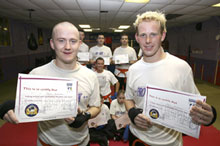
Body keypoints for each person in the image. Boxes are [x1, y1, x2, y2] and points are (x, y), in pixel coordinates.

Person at [0, 21, 101, 146]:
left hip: (81, 142)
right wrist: (8, 107)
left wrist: (86, 115)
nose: (68, 46)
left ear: (79, 44)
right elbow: (24, 106)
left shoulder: (90, 75)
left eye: (73, 41)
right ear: (52, 44)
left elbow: (96, 106)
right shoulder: (36, 75)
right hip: (46, 143)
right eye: (61, 40)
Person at [125, 11, 217, 146]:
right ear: (137, 37)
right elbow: (128, 99)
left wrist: (210, 116)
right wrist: (132, 113)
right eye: (143, 35)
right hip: (137, 139)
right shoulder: (133, 69)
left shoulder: (181, 67)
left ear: (162, 36)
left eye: (153, 34)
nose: (148, 41)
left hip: (169, 142)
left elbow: (196, 105)